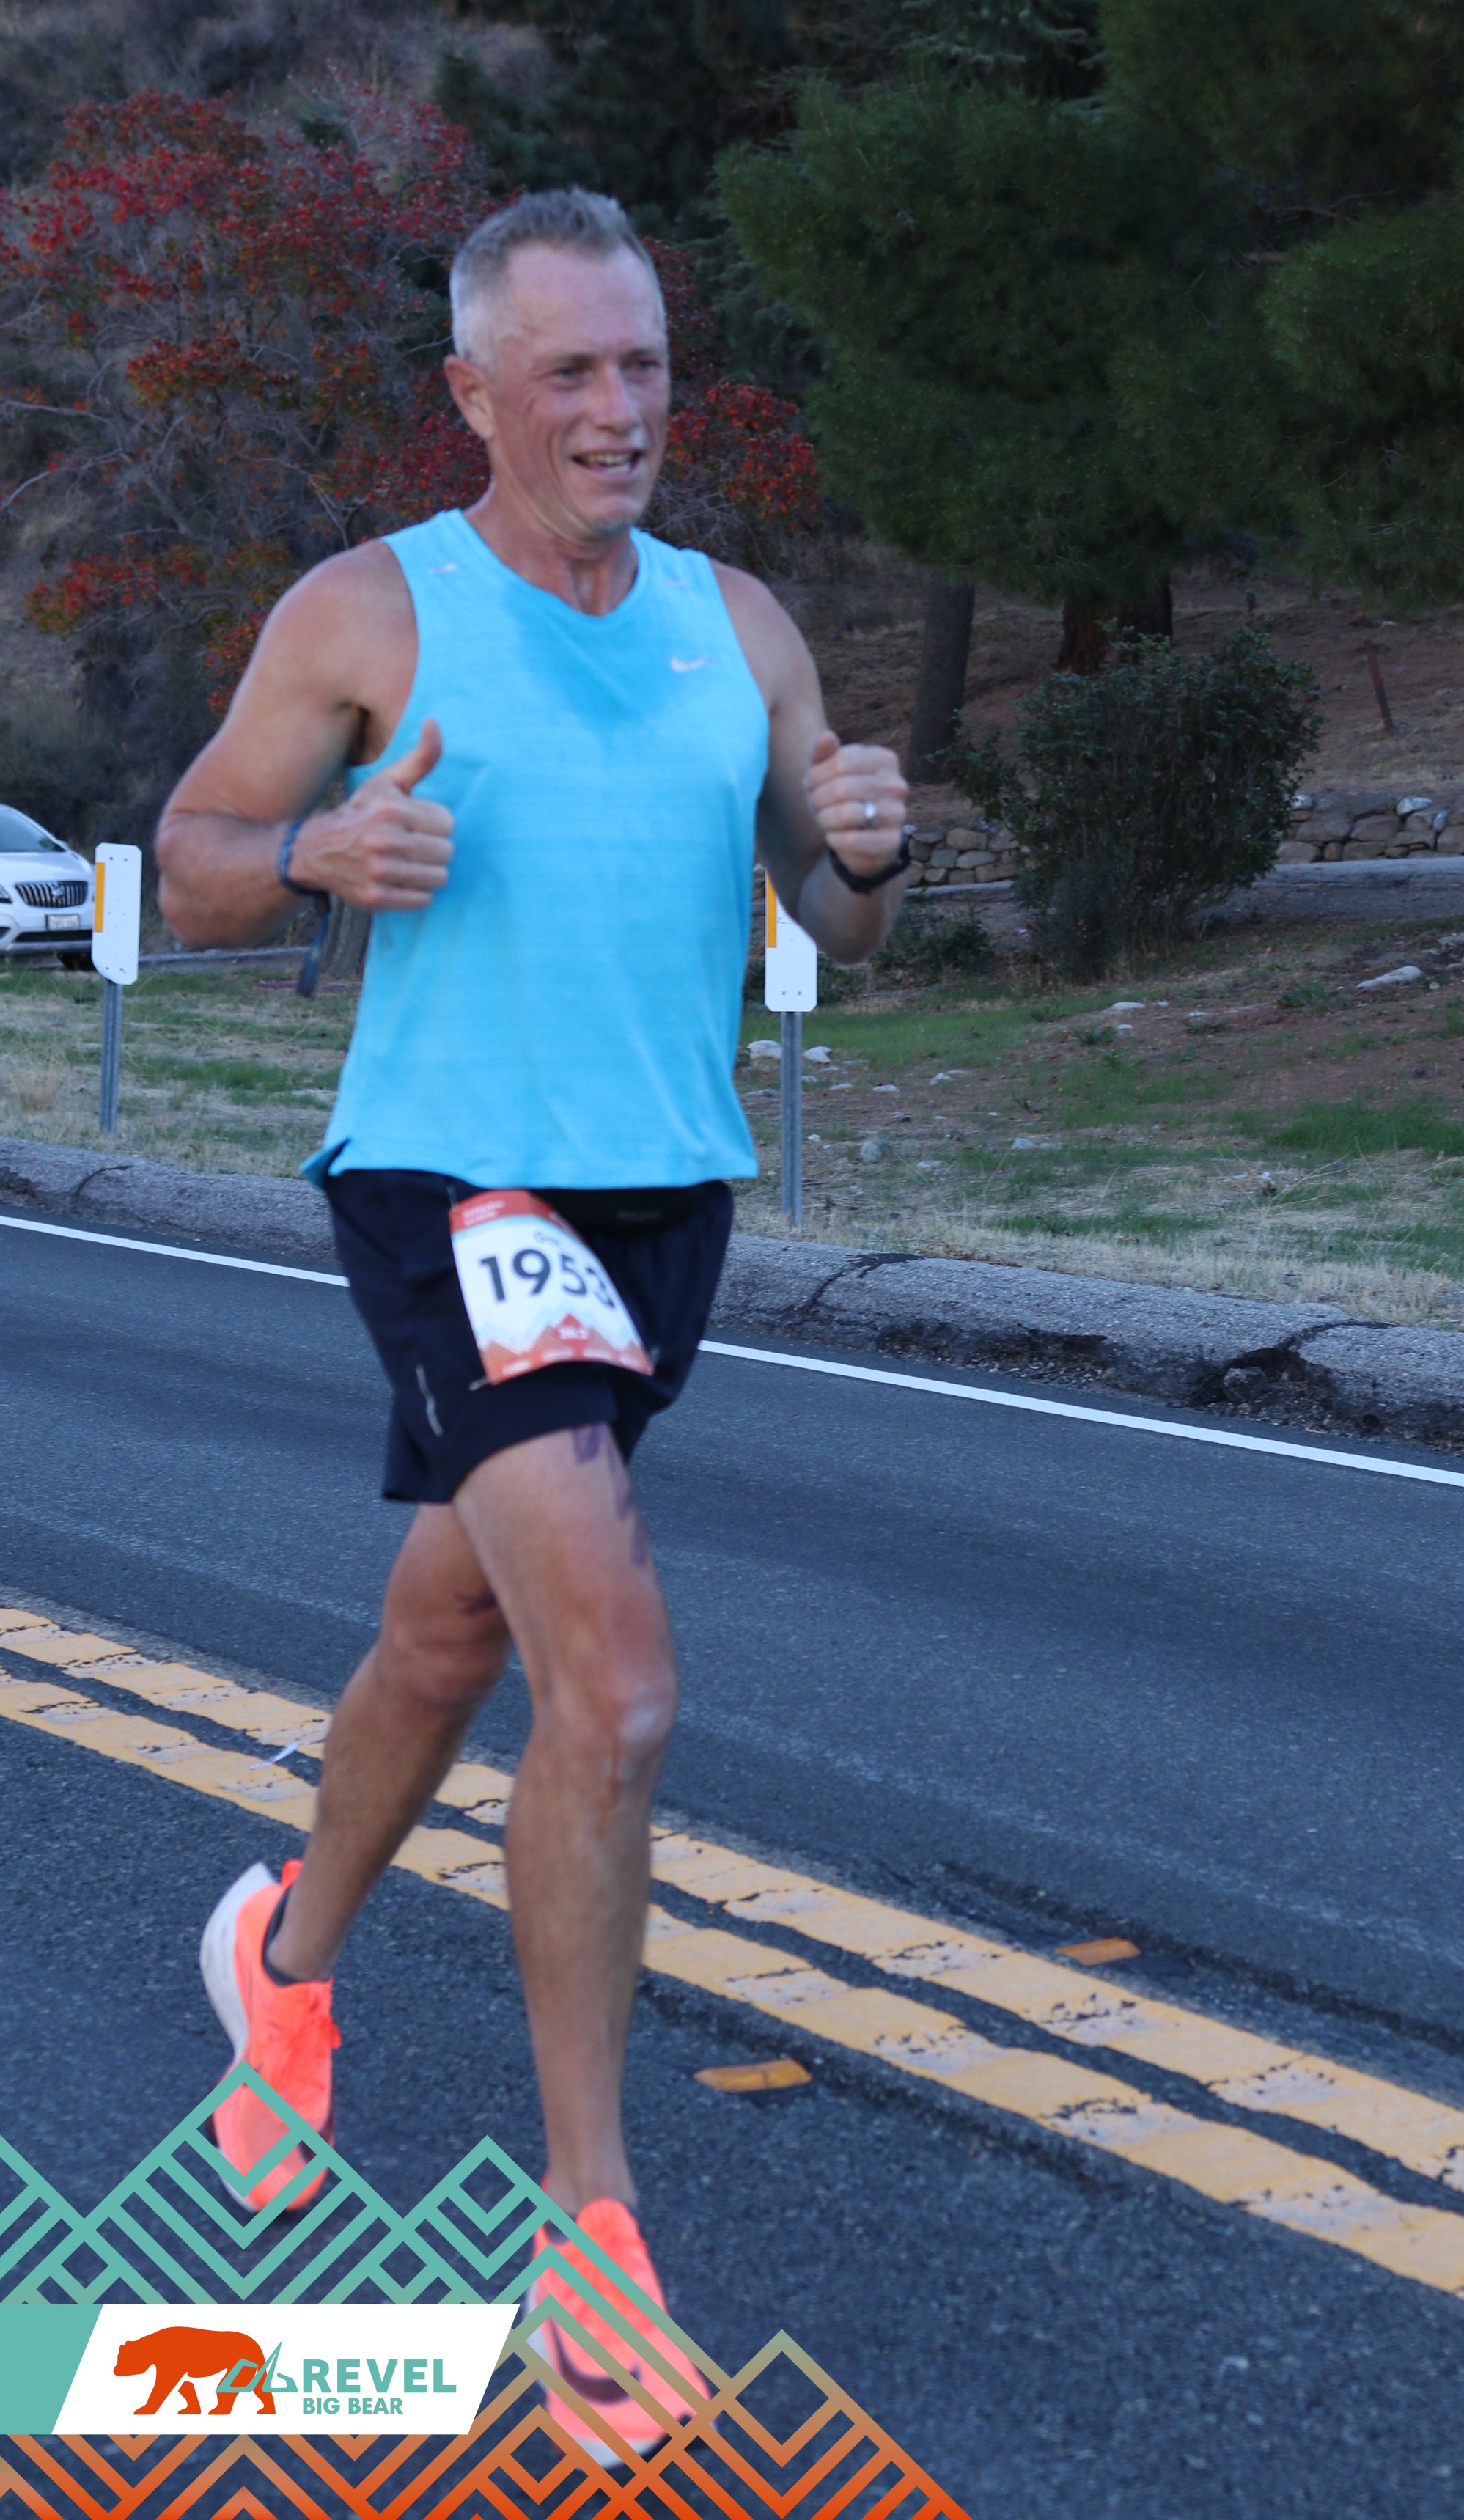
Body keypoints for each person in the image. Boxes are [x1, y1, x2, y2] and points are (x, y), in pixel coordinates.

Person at [154, 188, 911, 2460]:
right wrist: (310, 860)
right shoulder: (373, 608)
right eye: (569, 371)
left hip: (665, 1202)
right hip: (454, 1183)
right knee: (620, 1685)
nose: (617, 409)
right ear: (473, 393)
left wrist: (869, 850)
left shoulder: (736, 623)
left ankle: (284, 1967)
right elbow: (191, 856)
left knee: (450, 1632)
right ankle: (593, 2240)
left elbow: (837, 912)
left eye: (644, 365)